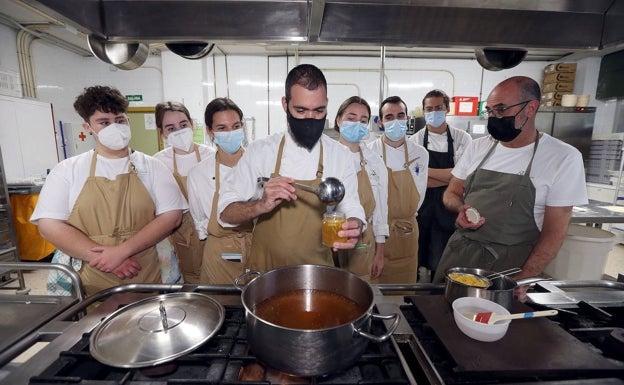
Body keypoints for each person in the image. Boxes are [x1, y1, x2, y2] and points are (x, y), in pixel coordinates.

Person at [432, 76, 588, 298]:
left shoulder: (562, 157)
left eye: (501, 109)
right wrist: (460, 209)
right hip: (461, 255)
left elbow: (555, 232)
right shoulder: (478, 147)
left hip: (510, 266)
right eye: (490, 111)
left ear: (530, 108)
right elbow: (452, 192)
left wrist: (525, 277)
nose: (494, 117)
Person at [31, 86, 187, 296]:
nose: (115, 127)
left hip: (147, 271)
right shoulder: (67, 170)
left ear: (128, 122)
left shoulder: (152, 167)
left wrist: (122, 251)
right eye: (104, 122)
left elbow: (171, 217)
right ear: (88, 127)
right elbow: (49, 225)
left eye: (120, 120)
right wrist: (108, 260)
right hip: (91, 274)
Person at [218, 64, 366, 272]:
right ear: (285, 104)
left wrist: (355, 224)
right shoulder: (261, 152)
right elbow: (225, 212)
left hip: (317, 271)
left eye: (319, 111)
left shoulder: (339, 155)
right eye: (301, 110)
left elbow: (351, 205)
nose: (310, 119)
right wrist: (260, 205)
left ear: (327, 105)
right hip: (266, 271)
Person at [187, 98, 253, 284]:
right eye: (222, 128)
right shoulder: (198, 174)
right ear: (210, 131)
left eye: (236, 126)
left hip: (259, 248)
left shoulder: (261, 165)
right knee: (222, 306)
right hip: (219, 256)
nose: (230, 133)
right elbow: (200, 220)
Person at [410, 90, 472, 279]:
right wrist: (452, 174)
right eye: (429, 109)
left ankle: (439, 288)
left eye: (438, 108)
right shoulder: (416, 140)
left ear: (447, 108)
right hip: (423, 203)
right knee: (418, 249)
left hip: (449, 203)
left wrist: (426, 172)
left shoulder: (463, 138)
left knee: (443, 254)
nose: (433, 112)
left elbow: (464, 176)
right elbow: (415, 179)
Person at [368, 96, 428, 284]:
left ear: (408, 119)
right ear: (380, 122)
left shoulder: (420, 154)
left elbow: (420, 193)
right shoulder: (370, 152)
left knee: (402, 290)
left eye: (400, 116)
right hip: (374, 231)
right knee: (373, 291)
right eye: (389, 117)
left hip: (406, 232)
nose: (395, 121)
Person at [153, 101, 214, 284]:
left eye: (183, 125)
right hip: (180, 229)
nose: (178, 131)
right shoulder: (158, 162)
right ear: (162, 132)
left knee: (214, 274)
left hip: (211, 225)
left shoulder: (210, 155)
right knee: (191, 277)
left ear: (192, 124)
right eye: (170, 128)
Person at [334, 96, 389, 281]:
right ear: (338, 120)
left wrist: (379, 253)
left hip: (362, 242)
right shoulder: (325, 157)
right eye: (351, 118)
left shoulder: (374, 161)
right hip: (326, 241)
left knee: (357, 294)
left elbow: (381, 210)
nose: (357, 123)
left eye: (363, 120)